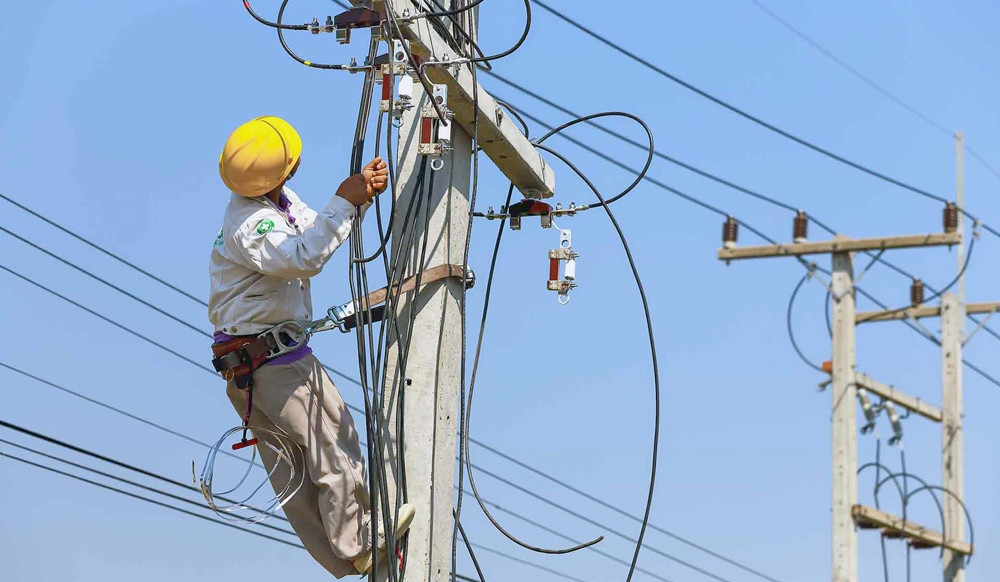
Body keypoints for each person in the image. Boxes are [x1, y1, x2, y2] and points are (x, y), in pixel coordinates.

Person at [208, 115, 412, 577]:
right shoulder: (251, 223)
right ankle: (358, 543)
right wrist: (345, 200)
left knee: (297, 475)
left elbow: (310, 230)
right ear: (287, 168)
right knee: (334, 446)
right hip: (273, 362)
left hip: (252, 364)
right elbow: (304, 255)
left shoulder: (269, 201)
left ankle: (346, 556)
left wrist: (356, 197)